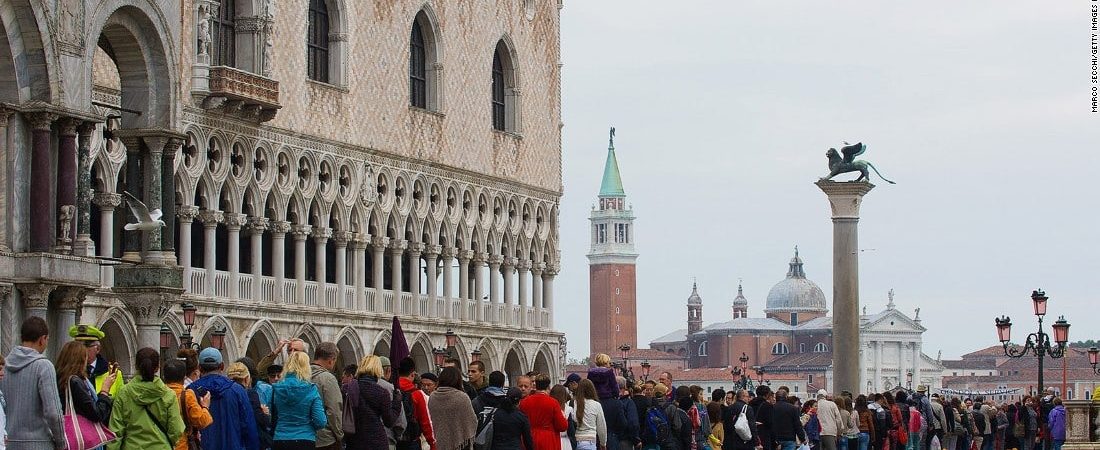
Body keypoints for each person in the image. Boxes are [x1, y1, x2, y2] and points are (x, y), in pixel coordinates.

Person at [1, 316, 66, 450]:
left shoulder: (4, 366)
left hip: (8, 443)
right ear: (42, 339)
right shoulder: (44, 366)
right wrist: (61, 443)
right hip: (39, 442)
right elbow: (53, 413)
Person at [108, 347, 186, 450]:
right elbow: (176, 429)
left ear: (136, 366)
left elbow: (115, 430)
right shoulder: (168, 394)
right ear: (157, 367)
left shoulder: (124, 393)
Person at [189, 347, 260, 450]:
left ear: (199, 368)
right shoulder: (237, 390)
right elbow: (249, 427)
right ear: (222, 366)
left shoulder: (190, 391)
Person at [269, 351, 328, 450]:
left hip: (280, 437)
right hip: (305, 438)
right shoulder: (311, 389)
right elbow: (320, 421)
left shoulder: (276, 389)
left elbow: (272, 415)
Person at [56, 340, 114, 427]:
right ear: (81, 360)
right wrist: (104, 391)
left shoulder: (58, 377)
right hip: (79, 429)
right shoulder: (75, 382)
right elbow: (97, 414)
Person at [344, 356, 398, 450]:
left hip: (353, 440)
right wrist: (397, 404)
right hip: (376, 441)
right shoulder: (382, 392)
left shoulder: (347, 388)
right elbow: (389, 421)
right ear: (378, 369)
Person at [163, 359, 213, 450]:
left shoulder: (157, 394)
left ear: (164, 377)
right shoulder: (187, 396)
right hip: (181, 445)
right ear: (184, 378)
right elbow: (202, 421)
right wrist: (205, 407)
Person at [428, 367, 477, 450]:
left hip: (441, 440)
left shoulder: (432, 397)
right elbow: (472, 421)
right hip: (461, 442)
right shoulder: (462, 397)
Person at [70, 324, 124, 397]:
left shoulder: (113, 373)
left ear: (98, 349)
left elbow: (120, 402)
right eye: (78, 346)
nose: (81, 350)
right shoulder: (68, 371)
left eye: (86, 346)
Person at [229, 362, 273, 450]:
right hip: (250, 441)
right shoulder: (250, 394)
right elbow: (260, 419)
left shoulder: (225, 394)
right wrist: (264, 414)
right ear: (246, 378)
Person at [521, 373, 569, 450]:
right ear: (548, 386)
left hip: (529, 438)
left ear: (535, 385)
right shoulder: (553, 402)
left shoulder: (524, 402)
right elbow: (562, 426)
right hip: (548, 439)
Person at [395, 357, 434, 450]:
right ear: (412, 374)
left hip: (394, 440)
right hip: (411, 441)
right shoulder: (417, 394)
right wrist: (432, 443)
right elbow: (426, 422)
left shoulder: (391, 389)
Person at [572, 379, 608, 450]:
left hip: (575, 442)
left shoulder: (573, 403)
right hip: (590, 442)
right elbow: (601, 427)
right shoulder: (596, 405)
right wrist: (603, 443)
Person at [551, 385, 577, 450]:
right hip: (565, 442)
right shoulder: (568, 409)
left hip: (552, 440)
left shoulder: (549, 408)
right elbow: (571, 431)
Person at [753, 385, 777, 450]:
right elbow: (770, 424)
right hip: (765, 437)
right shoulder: (767, 406)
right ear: (767, 395)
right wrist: (775, 441)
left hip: (753, 437)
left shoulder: (750, 403)